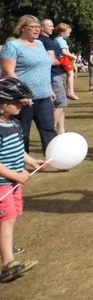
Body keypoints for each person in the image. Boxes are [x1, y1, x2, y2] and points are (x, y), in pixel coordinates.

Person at [0, 77, 45, 283]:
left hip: (13, 183)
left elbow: (20, 150)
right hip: (2, 184)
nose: (21, 104)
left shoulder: (14, 123)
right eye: (16, 101)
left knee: (13, 215)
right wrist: (15, 175)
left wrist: (32, 161)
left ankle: (5, 246)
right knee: (6, 220)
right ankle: (8, 264)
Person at [0, 15, 56, 154]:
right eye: (33, 27)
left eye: (39, 27)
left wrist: (49, 89)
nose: (37, 30)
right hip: (23, 99)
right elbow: (8, 71)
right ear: (23, 28)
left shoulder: (40, 44)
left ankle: (55, 159)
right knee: (22, 132)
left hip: (44, 96)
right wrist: (22, 94)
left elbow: (44, 68)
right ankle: (20, 164)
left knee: (48, 128)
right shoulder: (13, 46)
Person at [38, 20, 68, 134]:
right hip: (54, 74)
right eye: (50, 26)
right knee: (61, 104)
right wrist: (62, 61)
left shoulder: (42, 41)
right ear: (42, 27)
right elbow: (51, 61)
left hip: (52, 75)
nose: (52, 28)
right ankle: (51, 129)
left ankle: (62, 131)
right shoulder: (46, 41)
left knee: (61, 105)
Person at [53, 23, 79, 100]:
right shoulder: (60, 40)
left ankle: (69, 91)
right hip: (63, 58)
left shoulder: (57, 39)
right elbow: (64, 51)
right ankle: (70, 92)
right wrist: (72, 56)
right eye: (68, 33)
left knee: (70, 74)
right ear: (62, 33)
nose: (69, 34)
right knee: (71, 74)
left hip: (62, 58)